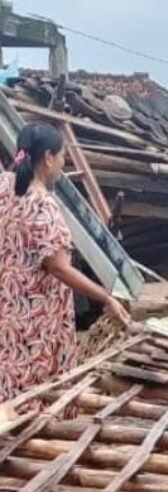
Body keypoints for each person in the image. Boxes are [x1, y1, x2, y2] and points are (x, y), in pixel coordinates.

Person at [0, 121, 132, 413]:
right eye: (62, 156)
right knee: (35, 388)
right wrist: (106, 297)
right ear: (48, 157)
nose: (63, 163)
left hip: (8, 305)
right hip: (35, 318)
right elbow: (59, 268)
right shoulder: (42, 205)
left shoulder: (5, 187)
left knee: (8, 375)